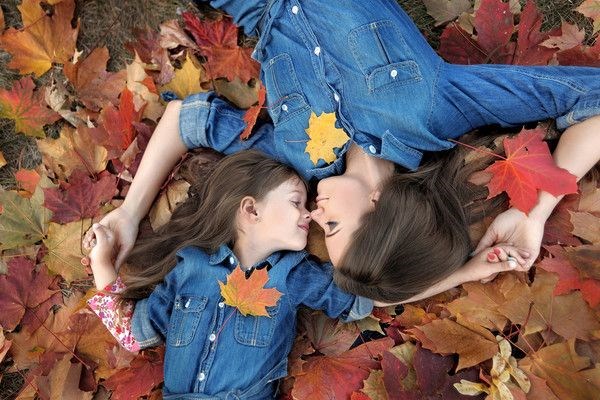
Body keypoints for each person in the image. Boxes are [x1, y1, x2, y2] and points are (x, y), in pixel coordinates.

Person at [84, 0, 600, 303]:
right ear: (381, 207)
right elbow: (591, 99)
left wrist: (130, 213)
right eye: (330, 227)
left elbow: (186, 120)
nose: (312, 214)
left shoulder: (298, 161)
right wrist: (535, 212)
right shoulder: (431, 111)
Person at [86, 150, 522, 398]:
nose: (309, 214)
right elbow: (135, 333)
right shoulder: (191, 267)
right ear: (250, 209)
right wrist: (102, 264)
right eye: (296, 202)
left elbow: (368, 294)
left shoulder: (292, 274)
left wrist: (464, 272)